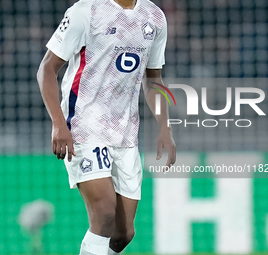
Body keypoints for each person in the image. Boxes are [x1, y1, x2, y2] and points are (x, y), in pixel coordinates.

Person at [37, 0, 176, 254]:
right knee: (103, 215)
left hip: (125, 134)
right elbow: (47, 69)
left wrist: (164, 127)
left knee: (123, 234)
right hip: (83, 127)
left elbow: (153, 78)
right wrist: (58, 123)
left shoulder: (154, 17)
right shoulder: (85, 11)